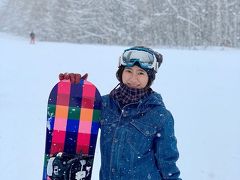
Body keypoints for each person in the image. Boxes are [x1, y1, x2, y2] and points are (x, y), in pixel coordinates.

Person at [59, 46, 181, 180]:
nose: (133, 78)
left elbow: (168, 163)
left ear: (149, 78)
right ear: (121, 73)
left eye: (141, 73)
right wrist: (72, 87)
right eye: (129, 71)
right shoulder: (104, 105)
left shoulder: (160, 116)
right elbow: (76, 113)